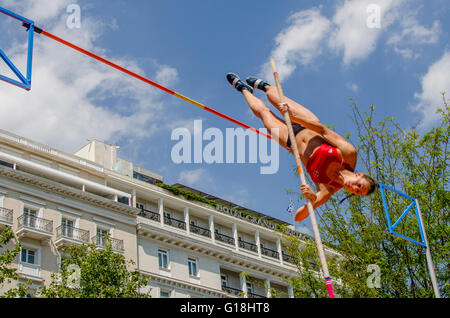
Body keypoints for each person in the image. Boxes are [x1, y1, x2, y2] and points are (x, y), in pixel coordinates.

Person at [226, 73, 378, 222]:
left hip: (289, 140)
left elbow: (298, 217)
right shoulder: (349, 154)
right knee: (275, 99)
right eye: (359, 185)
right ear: (359, 175)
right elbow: (323, 130)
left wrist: (311, 200)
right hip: (307, 124)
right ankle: (265, 86)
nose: (354, 189)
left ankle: (243, 89)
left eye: (358, 192)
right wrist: (294, 117)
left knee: (263, 113)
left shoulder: (327, 190)